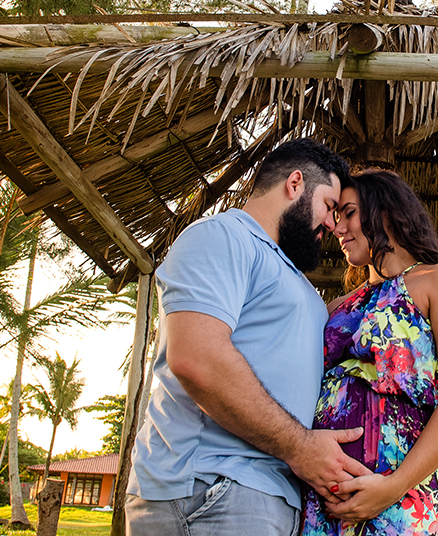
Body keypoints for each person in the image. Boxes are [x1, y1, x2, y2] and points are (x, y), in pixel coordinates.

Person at [126, 138, 371, 536]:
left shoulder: (296, 281)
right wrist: (301, 448)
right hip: (211, 489)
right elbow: (196, 359)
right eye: (328, 206)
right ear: (295, 184)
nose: (333, 224)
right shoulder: (222, 236)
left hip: (267, 495)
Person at [303, 169, 438, 535]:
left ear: (384, 211)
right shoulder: (337, 305)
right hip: (327, 507)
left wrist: (392, 487)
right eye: (335, 217)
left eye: (349, 213)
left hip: (412, 502)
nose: (337, 229)